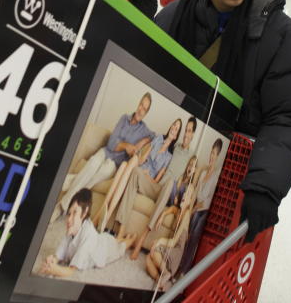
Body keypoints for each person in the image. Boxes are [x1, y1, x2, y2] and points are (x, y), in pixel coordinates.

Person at [156, 0, 291, 243]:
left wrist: (264, 186)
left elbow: (290, 117)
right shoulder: (172, 19)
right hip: (177, 159)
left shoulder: (277, 33)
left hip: (236, 173)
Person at [54, 93, 153, 221]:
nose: (141, 110)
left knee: (102, 171)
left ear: (146, 113)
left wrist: (143, 142)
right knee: (93, 163)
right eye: (141, 105)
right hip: (105, 152)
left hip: (114, 163)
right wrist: (126, 146)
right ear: (138, 103)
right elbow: (111, 143)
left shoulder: (144, 130)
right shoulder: (124, 118)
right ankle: (63, 204)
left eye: (145, 109)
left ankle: (64, 200)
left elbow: (155, 138)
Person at [119, 117, 197, 259]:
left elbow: (190, 178)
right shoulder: (174, 147)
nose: (186, 134)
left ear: (193, 135)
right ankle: (121, 229)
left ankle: (141, 239)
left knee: (169, 183)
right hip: (156, 187)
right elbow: (155, 144)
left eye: (189, 131)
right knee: (136, 172)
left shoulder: (192, 156)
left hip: (169, 192)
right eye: (185, 130)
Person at [94, 118, 181, 232]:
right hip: (139, 170)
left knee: (129, 167)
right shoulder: (158, 138)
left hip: (147, 181)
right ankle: (104, 216)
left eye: (176, 129)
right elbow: (143, 158)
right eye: (173, 125)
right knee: (125, 164)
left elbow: (156, 180)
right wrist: (137, 159)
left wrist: (146, 175)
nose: (173, 129)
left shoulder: (169, 156)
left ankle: (103, 215)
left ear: (176, 136)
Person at [40, 189, 132, 278]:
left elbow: (70, 270)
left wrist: (55, 270)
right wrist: (53, 259)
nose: (69, 219)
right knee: (115, 240)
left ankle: (133, 238)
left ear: (84, 213)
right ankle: (122, 238)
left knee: (122, 246)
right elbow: (62, 250)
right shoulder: (73, 227)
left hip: (106, 250)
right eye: (69, 213)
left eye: (75, 212)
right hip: (101, 238)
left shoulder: (88, 236)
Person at [176, 138, 223, 276]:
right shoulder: (203, 173)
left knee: (196, 230)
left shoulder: (216, 175)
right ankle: (179, 264)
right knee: (189, 228)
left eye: (214, 154)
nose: (211, 156)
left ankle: (183, 271)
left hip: (205, 210)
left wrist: (196, 208)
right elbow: (196, 193)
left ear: (218, 156)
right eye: (211, 153)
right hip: (197, 208)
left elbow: (209, 199)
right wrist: (190, 208)